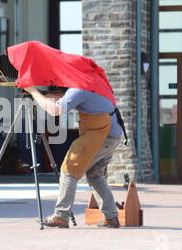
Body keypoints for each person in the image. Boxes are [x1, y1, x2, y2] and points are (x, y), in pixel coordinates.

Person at [23, 86, 124, 228]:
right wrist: (41, 93)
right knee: (95, 174)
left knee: (68, 170)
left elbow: (55, 110)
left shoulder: (79, 89)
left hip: (99, 135)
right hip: (113, 135)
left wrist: (33, 91)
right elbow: (63, 95)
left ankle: (61, 216)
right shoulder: (91, 83)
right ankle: (112, 217)